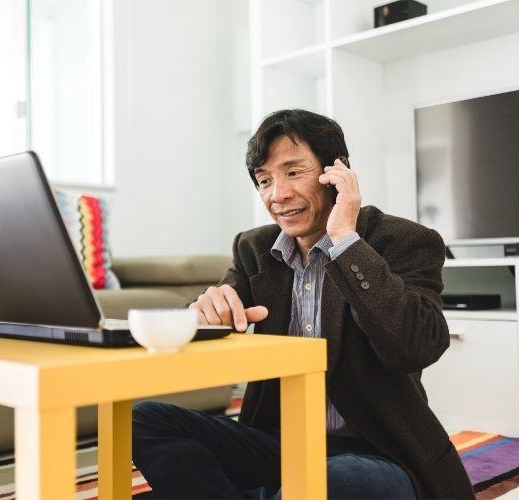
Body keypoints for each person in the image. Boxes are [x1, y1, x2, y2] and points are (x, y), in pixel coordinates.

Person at [131, 109, 475, 499]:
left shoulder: (403, 240)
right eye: (265, 181)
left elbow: (415, 346)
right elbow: (214, 312)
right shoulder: (255, 248)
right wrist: (201, 311)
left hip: (376, 452)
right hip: (278, 444)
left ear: (337, 174)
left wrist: (346, 241)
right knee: (141, 420)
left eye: (294, 173)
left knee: (334, 481)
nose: (278, 195)